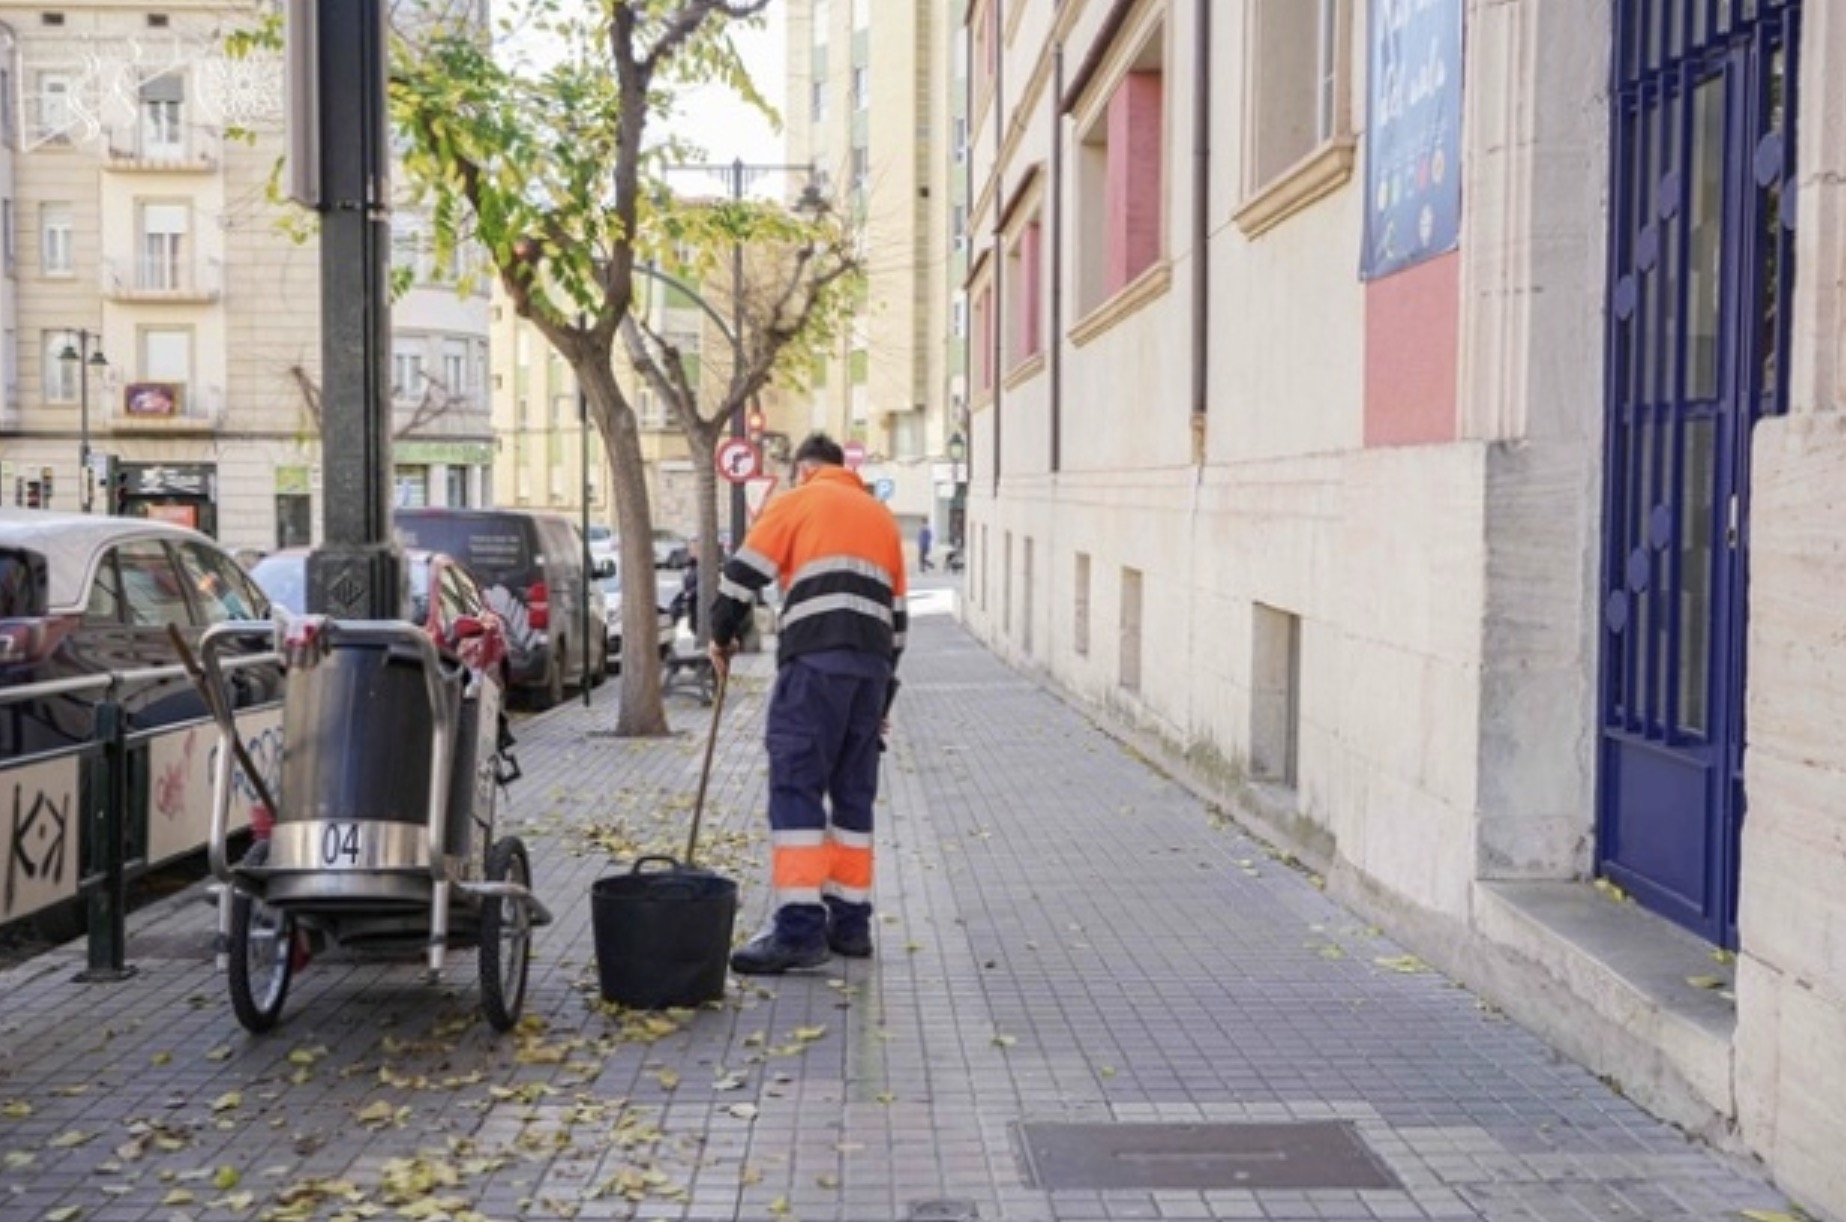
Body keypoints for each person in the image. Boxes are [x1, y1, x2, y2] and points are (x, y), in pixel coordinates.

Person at [707, 432, 907, 974]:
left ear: (802, 470)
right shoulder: (882, 520)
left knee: (796, 785)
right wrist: (883, 695)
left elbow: (741, 576)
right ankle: (851, 924)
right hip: (870, 673)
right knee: (852, 796)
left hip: (814, 666)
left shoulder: (796, 502)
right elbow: (899, 622)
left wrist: (720, 636)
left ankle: (799, 930)